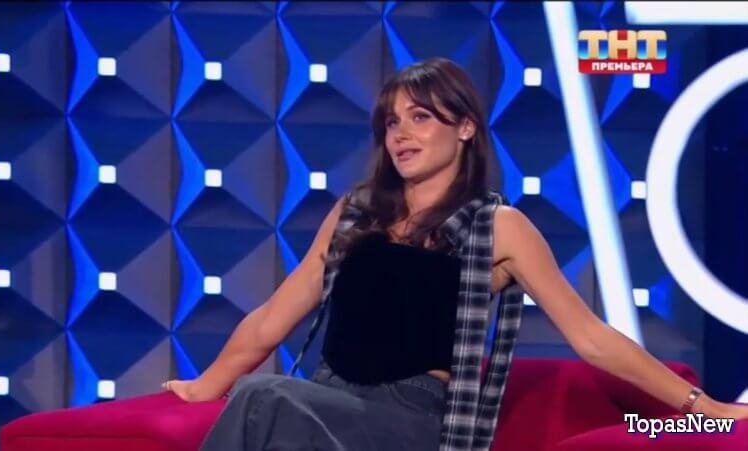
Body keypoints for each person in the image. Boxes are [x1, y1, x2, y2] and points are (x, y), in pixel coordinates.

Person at [162, 57, 748, 450]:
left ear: (465, 128)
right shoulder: (356, 212)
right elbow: (273, 317)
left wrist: (709, 409)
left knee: (265, 396)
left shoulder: (500, 227)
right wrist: (205, 385)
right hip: (325, 397)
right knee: (266, 401)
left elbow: (591, 337)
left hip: (409, 419)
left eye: (420, 118)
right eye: (391, 122)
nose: (400, 134)